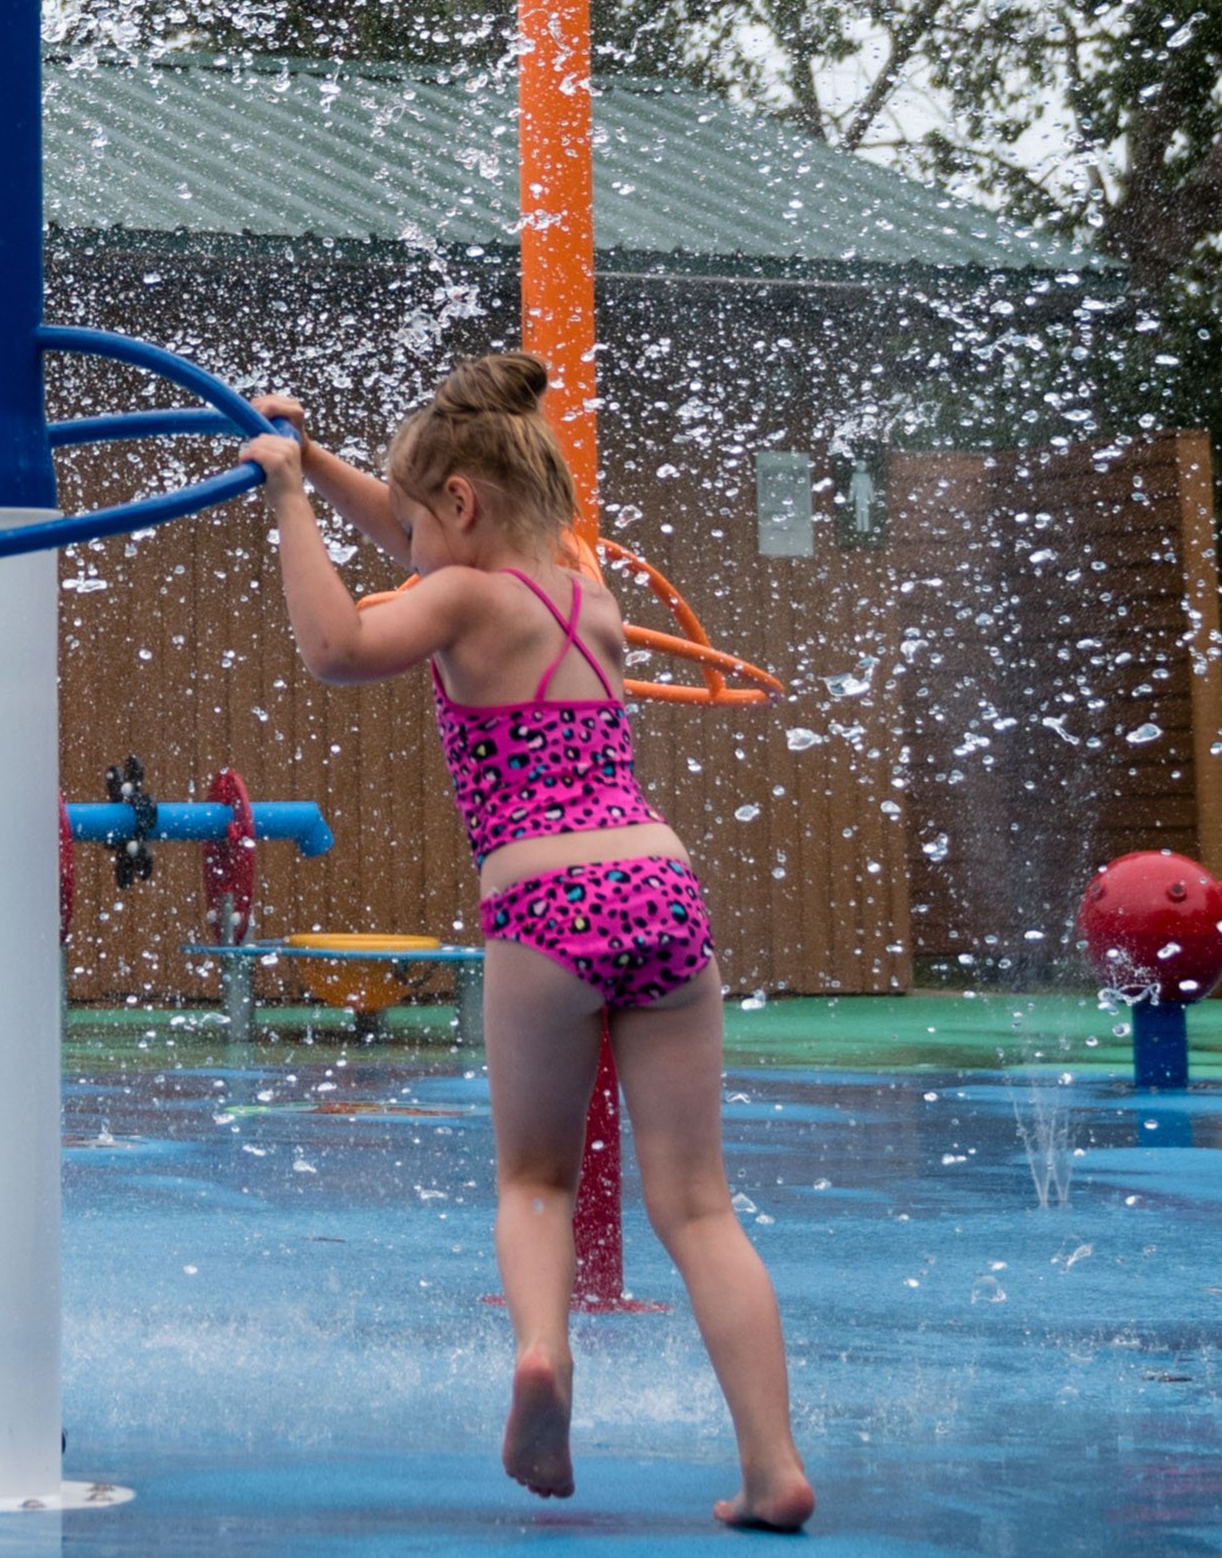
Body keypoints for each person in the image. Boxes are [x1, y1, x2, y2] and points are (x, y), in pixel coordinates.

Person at [244, 353, 814, 1534]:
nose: (398, 533)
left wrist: (286, 497)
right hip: (660, 888)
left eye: (415, 514)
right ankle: (773, 1467)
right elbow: (423, 520)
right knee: (700, 1206)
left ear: (459, 505)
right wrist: (320, 457)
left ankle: (545, 1357)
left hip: (544, 901)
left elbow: (337, 646)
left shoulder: (460, 602)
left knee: (535, 1178)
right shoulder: (582, 581)